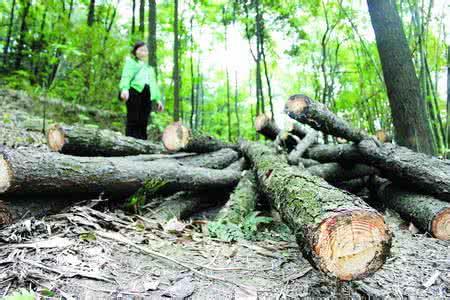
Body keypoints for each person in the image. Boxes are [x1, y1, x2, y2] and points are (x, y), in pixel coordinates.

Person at [119, 41, 164, 140]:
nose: (143, 52)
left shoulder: (150, 69)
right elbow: (126, 76)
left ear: (147, 53)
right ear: (135, 52)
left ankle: (142, 142)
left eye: (145, 50)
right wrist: (124, 89)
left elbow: (154, 85)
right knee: (133, 117)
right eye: (140, 49)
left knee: (144, 119)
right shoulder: (131, 62)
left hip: (147, 94)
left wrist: (158, 100)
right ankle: (130, 141)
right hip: (134, 91)